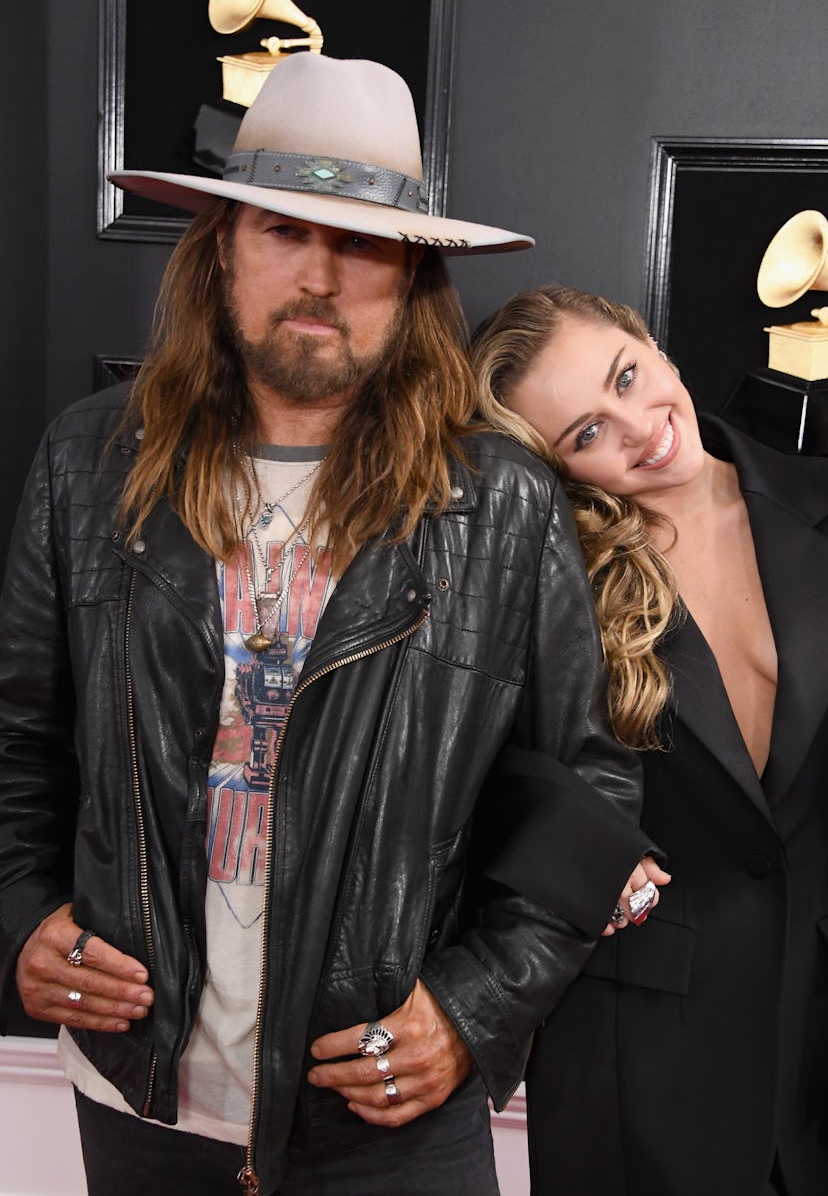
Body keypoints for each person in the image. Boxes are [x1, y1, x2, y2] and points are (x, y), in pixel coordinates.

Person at [0, 60, 654, 1196]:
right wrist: (18, 917)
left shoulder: (497, 501)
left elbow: (587, 794)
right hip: (141, 1096)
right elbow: (17, 742)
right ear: (219, 248)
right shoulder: (84, 463)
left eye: (360, 242)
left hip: (388, 1116)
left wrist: (477, 1004)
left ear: (410, 274)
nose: (318, 274)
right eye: (280, 230)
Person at [471, 283, 828, 1196]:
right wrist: (576, 845)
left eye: (627, 378)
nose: (637, 426)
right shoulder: (546, 575)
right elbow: (461, 761)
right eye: (585, 433)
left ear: (651, 343)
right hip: (641, 1055)